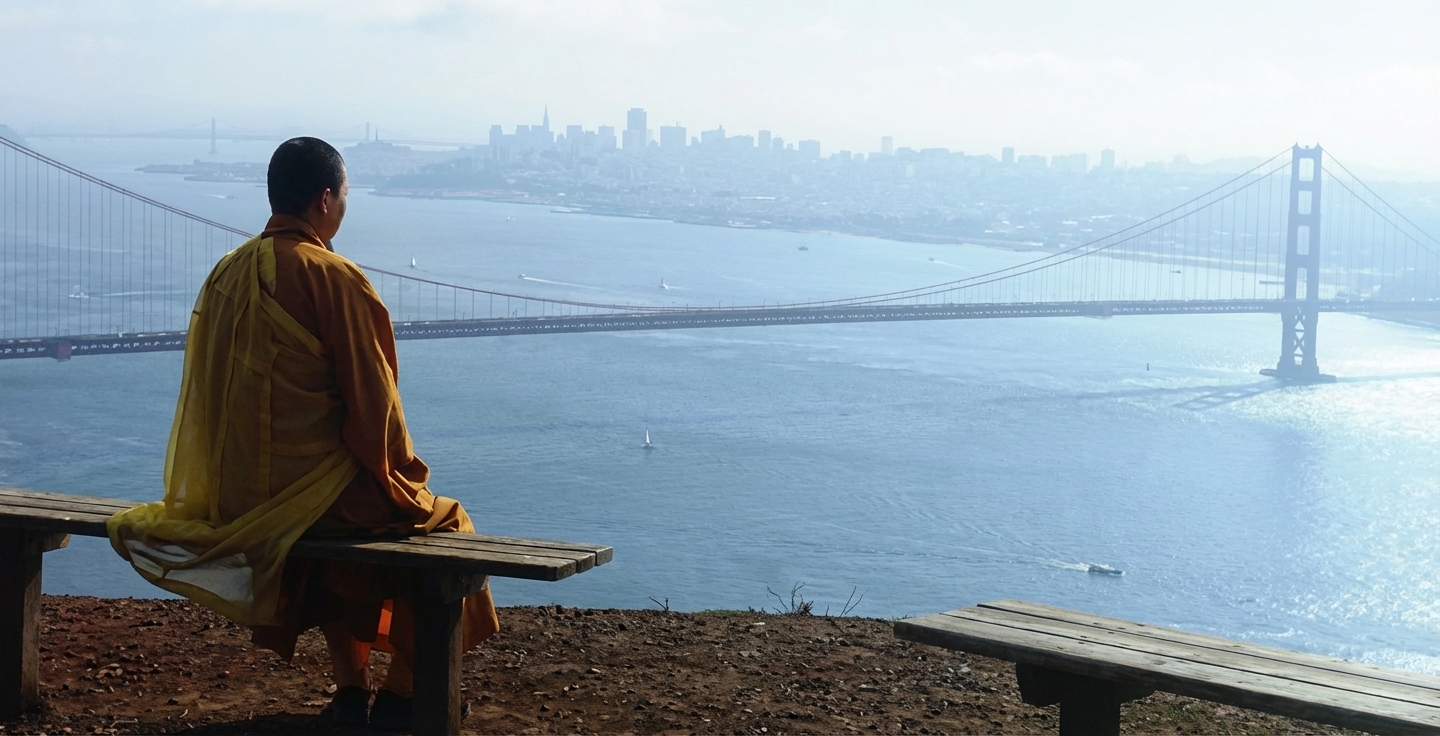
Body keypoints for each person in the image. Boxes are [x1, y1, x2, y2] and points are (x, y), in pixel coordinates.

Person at [108, 137, 499, 730]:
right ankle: (404, 695)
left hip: (241, 499)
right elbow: (375, 413)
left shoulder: (225, 274)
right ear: (324, 200)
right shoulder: (333, 277)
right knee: (447, 524)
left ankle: (350, 692)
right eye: (344, 196)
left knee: (333, 542)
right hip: (311, 505)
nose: (344, 207)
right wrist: (404, 481)